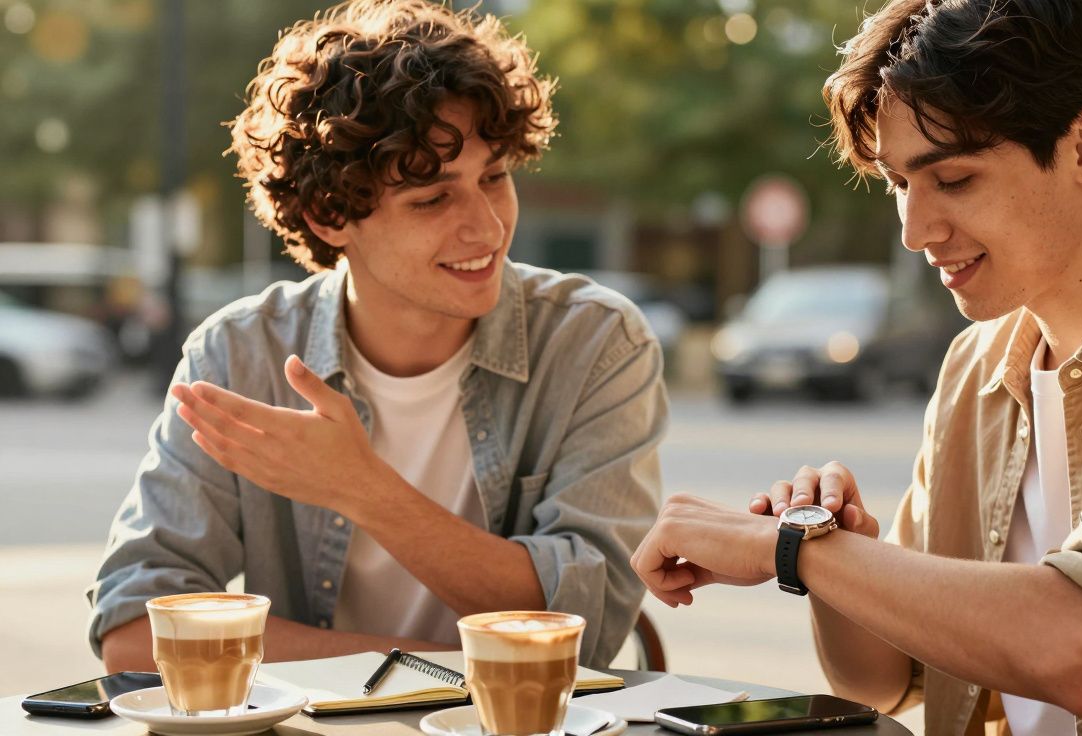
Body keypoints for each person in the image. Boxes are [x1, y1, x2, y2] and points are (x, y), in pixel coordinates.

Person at [631, 0, 1082, 733]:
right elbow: (885, 679)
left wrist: (793, 550)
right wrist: (832, 542)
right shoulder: (978, 363)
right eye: (898, 183)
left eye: (952, 179)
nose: (915, 230)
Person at [89, 0, 667, 672]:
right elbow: (133, 631)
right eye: (433, 198)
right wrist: (439, 669)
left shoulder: (596, 343)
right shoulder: (240, 356)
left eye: (493, 178)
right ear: (329, 213)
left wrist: (362, 489)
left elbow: (589, 629)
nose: (488, 228)